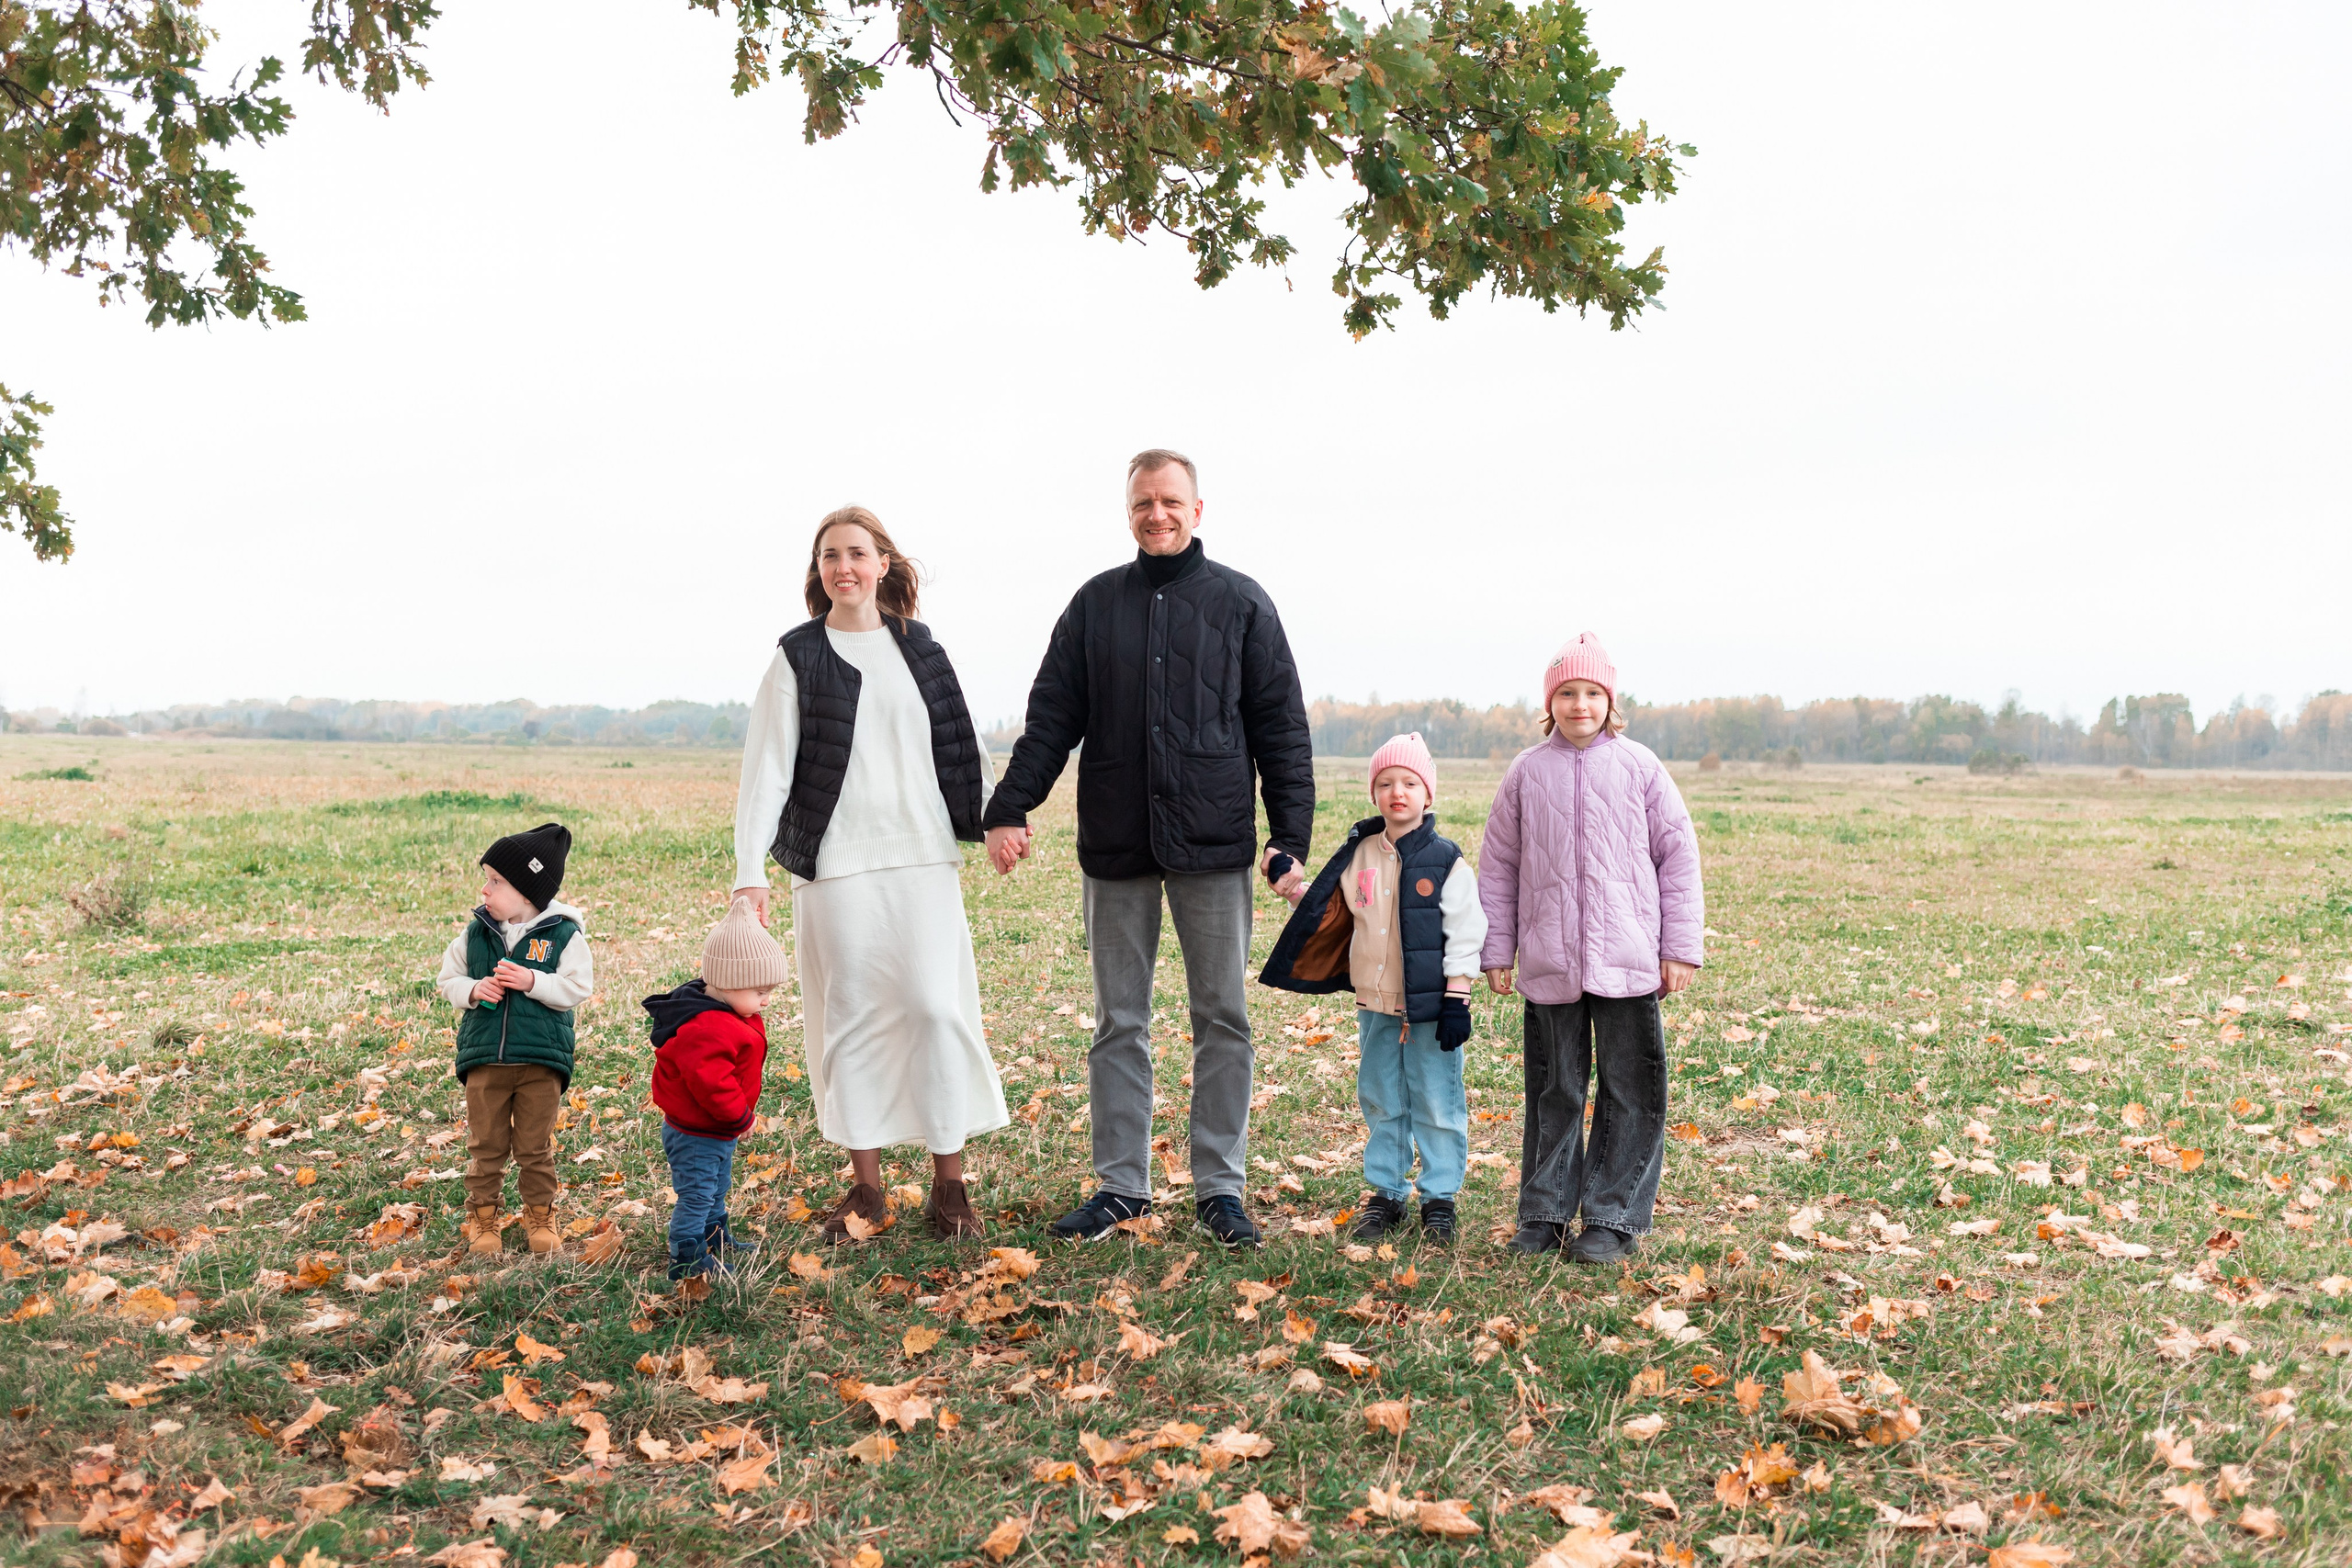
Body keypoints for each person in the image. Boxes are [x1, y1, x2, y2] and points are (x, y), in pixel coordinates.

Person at [983, 449, 1316, 1247]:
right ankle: (1121, 1187)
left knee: (1222, 1017)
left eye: (1170, 501)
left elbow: (1281, 728)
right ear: (1128, 511)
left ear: (1197, 510)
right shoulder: (1095, 605)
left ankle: (1220, 1190)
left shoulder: (1242, 603)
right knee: (1118, 1022)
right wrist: (1010, 804)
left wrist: (1289, 836)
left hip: (1214, 843)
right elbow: (1052, 718)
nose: (1156, 514)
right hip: (1117, 841)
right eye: (1142, 503)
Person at [731, 505, 1006, 1244]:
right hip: (835, 869)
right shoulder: (797, 656)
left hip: (924, 859)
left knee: (935, 1009)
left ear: (884, 563)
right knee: (851, 1022)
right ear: (818, 571)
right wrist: (749, 873)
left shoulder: (923, 648)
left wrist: (996, 821)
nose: (843, 566)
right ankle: (868, 1190)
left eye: (857, 552)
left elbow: (963, 748)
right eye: (830, 555)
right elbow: (765, 772)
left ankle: (950, 1185)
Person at [1478, 634, 1704, 1260]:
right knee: (1554, 1089)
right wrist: (1497, 949)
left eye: (1593, 693)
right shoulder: (1526, 772)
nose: (1580, 705)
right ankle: (1544, 1213)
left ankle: (1612, 1217)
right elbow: (1498, 866)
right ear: (1550, 702)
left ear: (1611, 701)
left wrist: (1679, 946)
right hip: (1550, 958)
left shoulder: (1640, 768)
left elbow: (1678, 857)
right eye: (1568, 693)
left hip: (1629, 959)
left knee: (1631, 1089)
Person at [1259, 733, 1487, 1244]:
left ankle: (1439, 1197)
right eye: (1385, 783)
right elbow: (1331, 910)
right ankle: (1387, 1191)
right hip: (1375, 1002)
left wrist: (1458, 996)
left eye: (1409, 783)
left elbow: (1466, 931)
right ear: (1374, 793)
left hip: (1432, 1008)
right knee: (1382, 1097)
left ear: (1428, 794)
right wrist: (1291, 886)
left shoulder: (1446, 860)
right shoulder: (1359, 853)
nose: (1397, 792)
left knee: (1437, 1100)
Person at [434, 822, 594, 1258]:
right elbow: (447, 979)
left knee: (534, 1147)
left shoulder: (563, 935)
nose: (484, 889)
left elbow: (577, 987)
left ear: (527, 892)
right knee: (485, 1146)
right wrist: (472, 989)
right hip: (485, 1061)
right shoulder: (476, 933)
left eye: (496, 881)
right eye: (486, 878)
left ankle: (540, 1214)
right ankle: (483, 1217)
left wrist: (532, 981)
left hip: (540, 1062)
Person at [641, 897, 789, 1278]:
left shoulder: (729, 1012)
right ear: (728, 982)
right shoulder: (707, 1028)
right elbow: (713, 1086)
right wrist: (742, 1118)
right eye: (760, 991)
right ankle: (687, 1255)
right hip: (696, 1132)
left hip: (715, 1129)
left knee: (716, 1186)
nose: (766, 1000)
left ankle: (713, 1234)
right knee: (697, 1193)